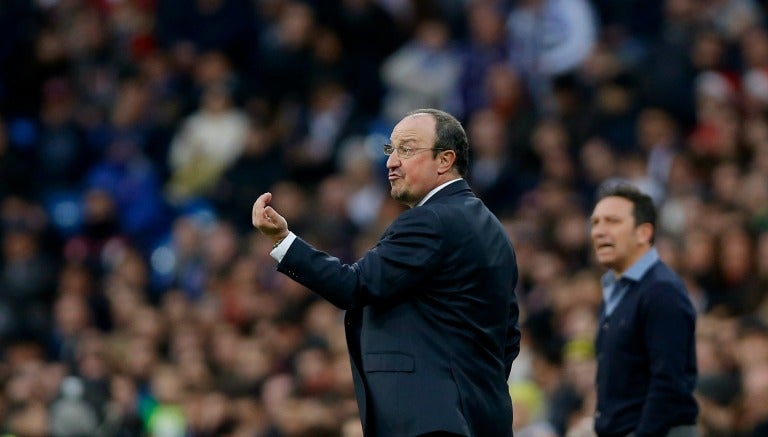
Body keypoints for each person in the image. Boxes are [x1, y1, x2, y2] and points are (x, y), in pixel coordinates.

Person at [252, 108, 520, 436]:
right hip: (479, 420)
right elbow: (509, 336)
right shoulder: (493, 230)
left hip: (429, 423)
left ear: (444, 160)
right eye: (390, 150)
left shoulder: (430, 220)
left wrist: (283, 241)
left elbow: (354, 285)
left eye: (406, 149)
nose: (392, 162)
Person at [589, 183, 698, 437]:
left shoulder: (661, 291)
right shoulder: (616, 291)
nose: (599, 231)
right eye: (595, 223)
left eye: (612, 221)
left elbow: (669, 383)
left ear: (643, 233)